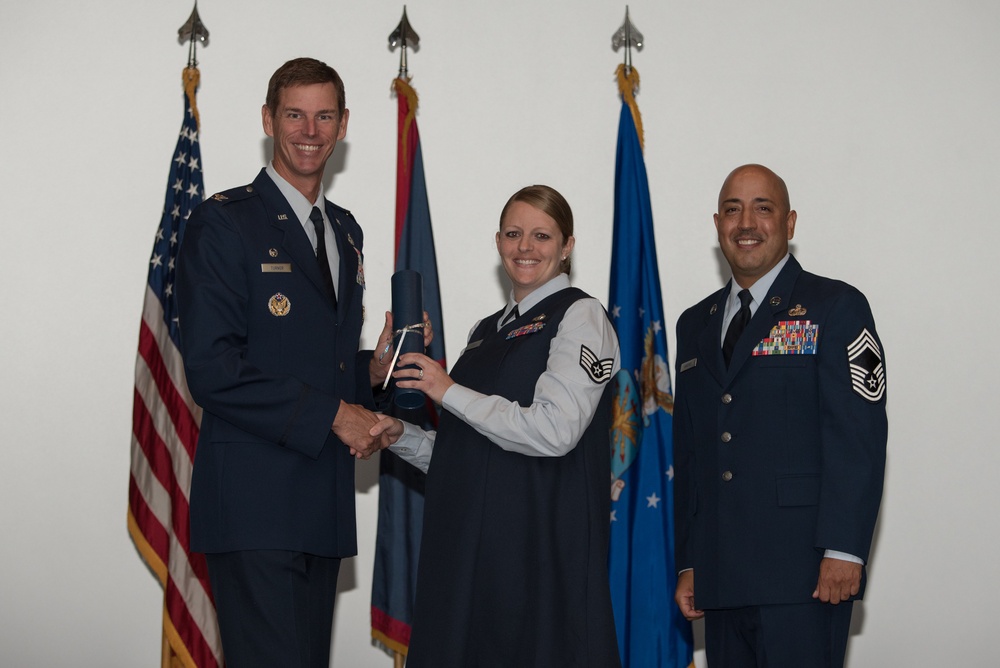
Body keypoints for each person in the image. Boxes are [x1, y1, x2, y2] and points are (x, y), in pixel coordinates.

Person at [176, 57, 416, 667]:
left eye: (324, 116)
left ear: (342, 126)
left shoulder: (345, 230)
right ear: (268, 120)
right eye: (294, 115)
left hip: (322, 505)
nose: (309, 131)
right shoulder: (223, 222)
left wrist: (372, 370)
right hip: (256, 506)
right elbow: (212, 369)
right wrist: (337, 414)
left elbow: (316, 360)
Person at [371, 185, 623, 667]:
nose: (525, 247)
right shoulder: (486, 330)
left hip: (535, 555)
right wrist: (401, 438)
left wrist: (445, 390)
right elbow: (470, 449)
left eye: (541, 235)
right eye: (513, 234)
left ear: (567, 245)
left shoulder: (581, 315)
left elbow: (554, 430)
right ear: (498, 241)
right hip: (469, 553)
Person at [672, 164, 888, 667]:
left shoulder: (835, 307)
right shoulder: (694, 324)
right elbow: (692, 452)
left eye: (762, 208)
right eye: (732, 209)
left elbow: (857, 436)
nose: (746, 222)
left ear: (789, 223)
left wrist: (844, 549)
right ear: (717, 224)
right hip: (722, 577)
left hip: (805, 575)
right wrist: (690, 560)